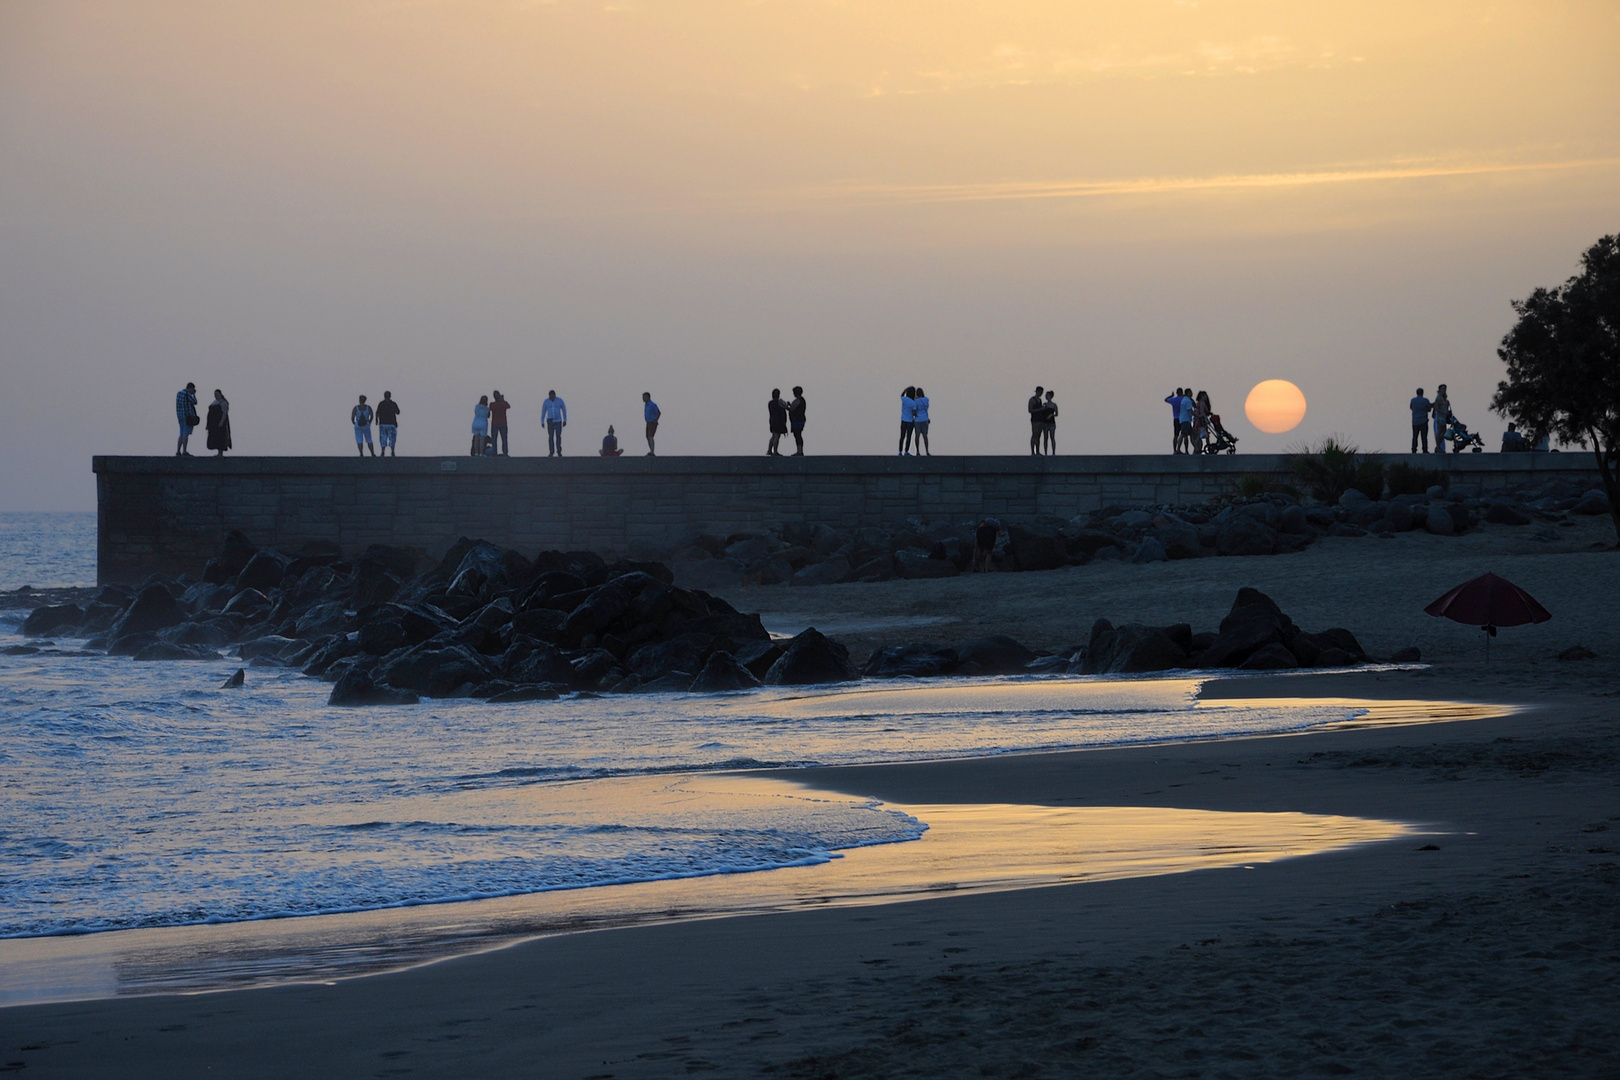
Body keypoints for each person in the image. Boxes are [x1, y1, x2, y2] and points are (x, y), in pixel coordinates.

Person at [204, 390, 231, 457]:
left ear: (220, 394)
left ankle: (220, 453)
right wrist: (207, 424)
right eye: (215, 394)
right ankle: (218, 453)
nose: (216, 395)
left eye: (217, 394)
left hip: (220, 423)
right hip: (213, 424)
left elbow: (225, 413)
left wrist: (221, 422)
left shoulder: (223, 402)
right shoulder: (214, 402)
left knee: (221, 437)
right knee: (214, 438)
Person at [541, 390, 567, 456]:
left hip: (558, 420)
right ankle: (551, 451)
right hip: (550, 421)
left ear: (555, 395)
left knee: (558, 436)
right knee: (551, 437)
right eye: (550, 396)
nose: (551, 397)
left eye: (552, 396)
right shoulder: (546, 402)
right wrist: (542, 421)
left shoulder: (559, 400)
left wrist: (565, 420)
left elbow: (564, 409)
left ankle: (559, 451)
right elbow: (543, 411)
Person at [175, 382, 198, 456]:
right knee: (186, 433)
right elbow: (195, 402)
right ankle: (184, 451)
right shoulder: (187, 394)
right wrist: (194, 395)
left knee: (181, 433)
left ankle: (178, 451)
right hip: (188, 417)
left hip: (180, 416)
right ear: (190, 388)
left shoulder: (179, 393)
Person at [375, 391, 400, 456]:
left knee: (383, 437)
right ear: (390, 396)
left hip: (383, 423)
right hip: (392, 423)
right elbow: (398, 412)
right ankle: (392, 451)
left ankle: (383, 451)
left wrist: (376, 420)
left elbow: (377, 413)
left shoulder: (381, 404)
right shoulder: (393, 404)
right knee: (392, 438)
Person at [489, 391, 512, 456]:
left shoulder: (492, 404)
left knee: (494, 439)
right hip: (503, 423)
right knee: (504, 439)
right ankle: (505, 453)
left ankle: (494, 453)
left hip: (495, 423)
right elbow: (508, 406)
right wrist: (502, 400)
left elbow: (490, 409)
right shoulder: (503, 404)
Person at [1409, 388, 1432, 453]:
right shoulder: (1425, 400)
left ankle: (1414, 449)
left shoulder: (1413, 400)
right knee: (1424, 436)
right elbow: (1429, 409)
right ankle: (1424, 449)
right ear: (1422, 393)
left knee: (1415, 436)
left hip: (1415, 421)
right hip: (1423, 420)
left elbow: (1411, 407)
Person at [767, 389, 788, 456]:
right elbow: (786, 407)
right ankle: (775, 451)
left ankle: (769, 450)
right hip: (778, 421)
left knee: (773, 436)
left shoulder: (770, 403)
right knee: (777, 436)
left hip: (772, 420)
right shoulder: (779, 402)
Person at [1165, 388, 1186, 453]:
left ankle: (1174, 450)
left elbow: (1165, 399)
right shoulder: (1183, 399)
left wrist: (1171, 395)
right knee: (1184, 435)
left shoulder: (1174, 400)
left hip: (1176, 419)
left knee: (1176, 435)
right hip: (1183, 419)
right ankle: (1185, 450)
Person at [1432, 384, 1451, 455]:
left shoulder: (1444, 398)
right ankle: (1438, 447)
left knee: (1443, 432)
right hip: (1440, 418)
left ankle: (1438, 446)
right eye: (1443, 389)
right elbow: (1436, 408)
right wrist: (1443, 412)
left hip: (1444, 418)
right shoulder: (1438, 398)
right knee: (1439, 432)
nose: (1444, 390)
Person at [788, 387, 807, 455]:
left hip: (797, 420)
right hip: (801, 419)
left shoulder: (797, 400)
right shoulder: (802, 400)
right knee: (798, 435)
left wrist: (787, 407)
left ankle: (799, 451)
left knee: (797, 435)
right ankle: (800, 450)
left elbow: (792, 409)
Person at [912, 386, 931, 456]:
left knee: (917, 436)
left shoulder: (915, 401)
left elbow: (914, 412)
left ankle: (917, 451)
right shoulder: (926, 399)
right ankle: (927, 451)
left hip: (917, 420)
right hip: (925, 419)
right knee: (925, 436)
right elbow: (927, 407)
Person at [899, 387, 917, 455]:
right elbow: (914, 413)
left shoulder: (904, 399)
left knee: (902, 437)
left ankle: (900, 451)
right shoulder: (913, 403)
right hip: (910, 421)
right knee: (908, 437)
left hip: (903, 420)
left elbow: (901, 395)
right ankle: (906, 451)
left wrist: (905, 390)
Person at [1028, 386, 1045, 455]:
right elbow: (1030, 410)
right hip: (1035, 420)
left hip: (1040, 420)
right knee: (1034, 434)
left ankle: (1037, 451)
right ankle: (1032, 451)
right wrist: (1040, 410)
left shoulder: (1040, 400)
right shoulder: (1032, 400)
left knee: (1038, 435)